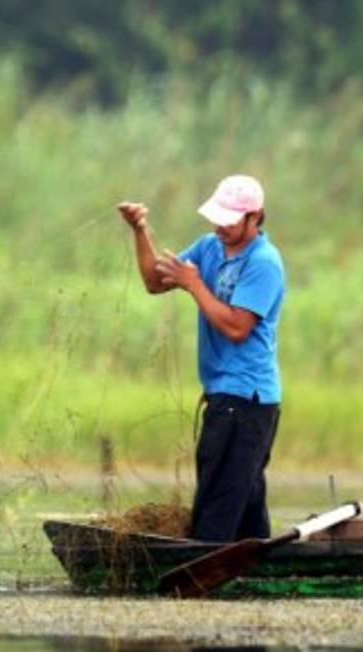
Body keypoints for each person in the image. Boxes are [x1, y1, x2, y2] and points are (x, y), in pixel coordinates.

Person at [117, 175, 285, 543]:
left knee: (217, 502)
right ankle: (256, 570)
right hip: (223, 394)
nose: (220, 227)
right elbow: (154, 282)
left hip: (246, 399)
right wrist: (140, 231)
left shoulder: (264, 262)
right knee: (246, 502)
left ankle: (202, 570)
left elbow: (237, 327)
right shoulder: (209, 248)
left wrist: (194, 285)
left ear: (254, 218)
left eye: (230, 220)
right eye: (217, 217)